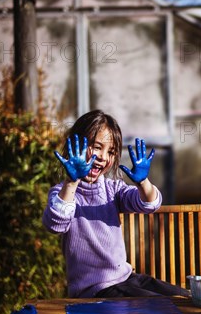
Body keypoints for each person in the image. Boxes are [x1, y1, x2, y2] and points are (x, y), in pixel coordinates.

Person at [42, 109, 189, 299]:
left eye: (111, 151)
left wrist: (143, 182)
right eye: (96, 147)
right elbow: (55, 224)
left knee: (185, 297)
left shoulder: (113, 189)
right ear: (75, 146)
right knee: (162, 304)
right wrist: (71, 183)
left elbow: (150, 204)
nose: (103, 156)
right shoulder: (63, 193)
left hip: (125, 278)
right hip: (95, 289)